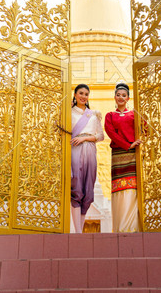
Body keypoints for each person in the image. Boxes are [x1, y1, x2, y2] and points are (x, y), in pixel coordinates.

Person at [104, 82, 142, 232]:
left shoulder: (134, 114)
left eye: (124, 95)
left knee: (132, 186)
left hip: (133, 154)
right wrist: (127, 145)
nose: (121, 97)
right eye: (118, 95)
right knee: (119, 187)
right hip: (119, 153)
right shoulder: (110, 115)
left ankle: (132, 225)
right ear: (115, 97)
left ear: (128, 98)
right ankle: (120, 226)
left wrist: (137, 142)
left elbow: (145, 128)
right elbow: (110, 133)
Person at [70, 83, 104, 233]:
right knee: (76, 187)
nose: (83, 96)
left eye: (86, 94)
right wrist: (65, 106)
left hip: (89, 149)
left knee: (88, 190)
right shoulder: (68, 112)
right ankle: (77, 231)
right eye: (81, 93)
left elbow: (101, 136)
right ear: (75, 95)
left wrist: (85, 139)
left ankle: (81, 229)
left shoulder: (94, 114)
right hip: (75, 150)